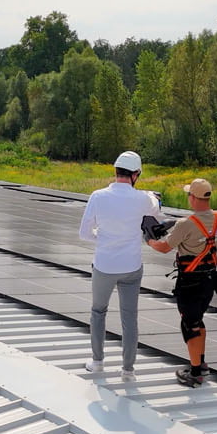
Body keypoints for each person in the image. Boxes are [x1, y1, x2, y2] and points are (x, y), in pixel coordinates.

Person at [79, 151, 157, 381]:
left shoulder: (97, 196)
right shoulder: (143, 198)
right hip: (132, 266)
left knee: (98, 311)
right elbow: (157, 214)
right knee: (129, 318)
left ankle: (97, 362)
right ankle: (128, 371)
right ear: (135, 174)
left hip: (104, 265)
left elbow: (84, 233)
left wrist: (103, 239)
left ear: (115, 172)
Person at [148, 178, 217, 387]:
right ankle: (201, 363)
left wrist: (148, 239)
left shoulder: (185, 224)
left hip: (190, 283)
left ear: (193, 197)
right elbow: (201, 228)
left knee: (189, 325)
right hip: (209, 280)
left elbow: (164, 247)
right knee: (198, 320)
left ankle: (195, 373)